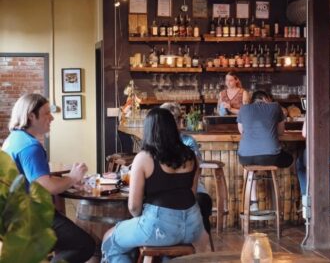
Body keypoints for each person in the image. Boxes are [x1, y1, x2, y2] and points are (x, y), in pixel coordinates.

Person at [101, 108, 206, 262]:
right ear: (173, 127)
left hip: (159, 228)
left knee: (110, 240)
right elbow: (192, 193)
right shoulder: (191, 157)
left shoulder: (144, 158)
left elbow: (134, 207)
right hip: (192, 227)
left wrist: (141, 221)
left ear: (148, 130)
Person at [2, 93, 95, 263]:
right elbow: (46, 186)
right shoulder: (30, 147)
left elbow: (39, 178)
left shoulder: (15, 138)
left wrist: (69, 184)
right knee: (84, 245)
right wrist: (73, 178)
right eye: (46, 113)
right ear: (31, 116)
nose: (51, 118)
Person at [160, 102, 212, 237]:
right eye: (169, 121)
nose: (173, 125)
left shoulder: (188, 141)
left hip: (191, 187)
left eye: (175, 120)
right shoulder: (156, 143)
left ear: (179, 122)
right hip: (166, 190)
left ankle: (200, 243)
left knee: (202, 201)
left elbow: (196, 170)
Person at [237, 90, 293, 168]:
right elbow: (280, 132)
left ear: (252, 100)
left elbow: (241, 131)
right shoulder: (275, 106)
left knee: (255, 160)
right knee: (289, 159)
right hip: (270, 157)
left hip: (245, 158)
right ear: (265, 99)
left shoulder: (243, 108)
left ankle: (254, 178)